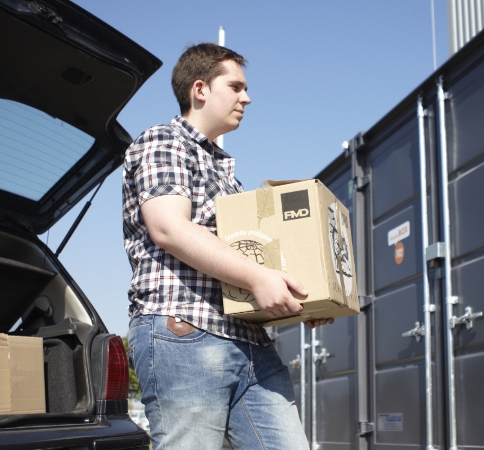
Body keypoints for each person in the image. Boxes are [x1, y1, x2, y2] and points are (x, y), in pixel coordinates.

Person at [122, 43, 331, 450]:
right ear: (200, 89)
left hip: (250, 342)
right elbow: (169, 228)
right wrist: (258, 276)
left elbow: (248, 264)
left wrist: (303, 299)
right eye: (235, 86)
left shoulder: (228, 175)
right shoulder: (163, 141)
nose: (246, 98)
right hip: (186, 332)